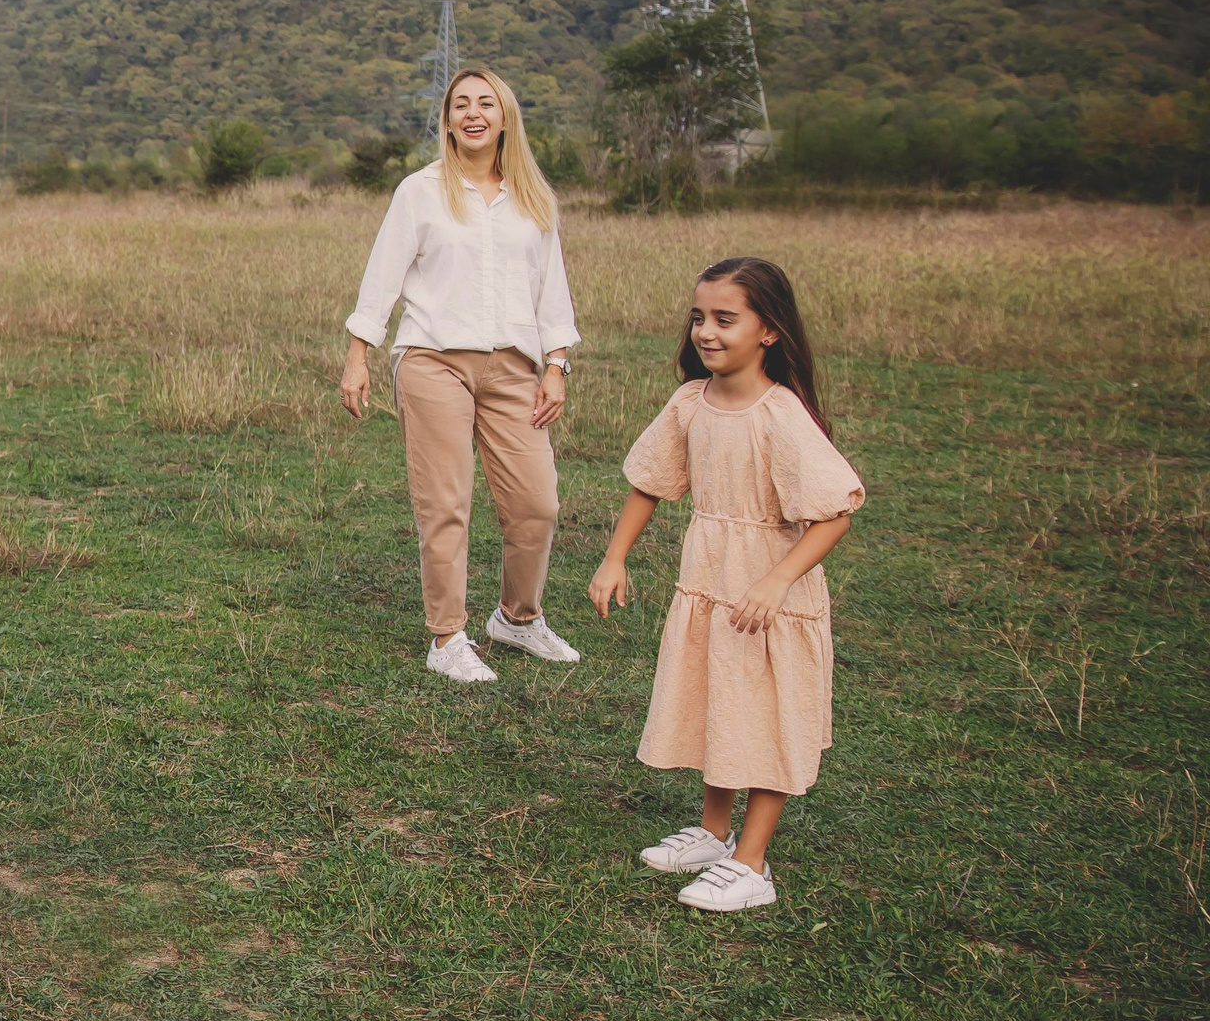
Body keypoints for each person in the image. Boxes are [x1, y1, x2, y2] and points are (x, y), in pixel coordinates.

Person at [588, 256, 863, 913]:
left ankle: (752, 864)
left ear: (768, 330)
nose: (706, 331)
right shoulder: (691, 402)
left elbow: (835, 513)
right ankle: (715, 833)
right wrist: (614, 557)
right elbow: (651, 481)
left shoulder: (780, 413)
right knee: (720, 704)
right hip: (711, 586)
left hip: (770, 599)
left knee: (765, 717)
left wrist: (777, 580)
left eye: (724, 318)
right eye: (698, 317)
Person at [339, 68, 582, 682]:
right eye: (461, 104)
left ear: (505, 117)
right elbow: (382, 277)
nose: (474, 113)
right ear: (447, 120)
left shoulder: (533, 198)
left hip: (514, 366)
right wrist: (358, 355)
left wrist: (556, 365)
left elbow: (552, 290)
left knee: (537, 503)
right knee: (446, 501)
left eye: (486, 103)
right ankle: (447, 637)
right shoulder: (419, 191)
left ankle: (518, 618)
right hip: (433, 360)